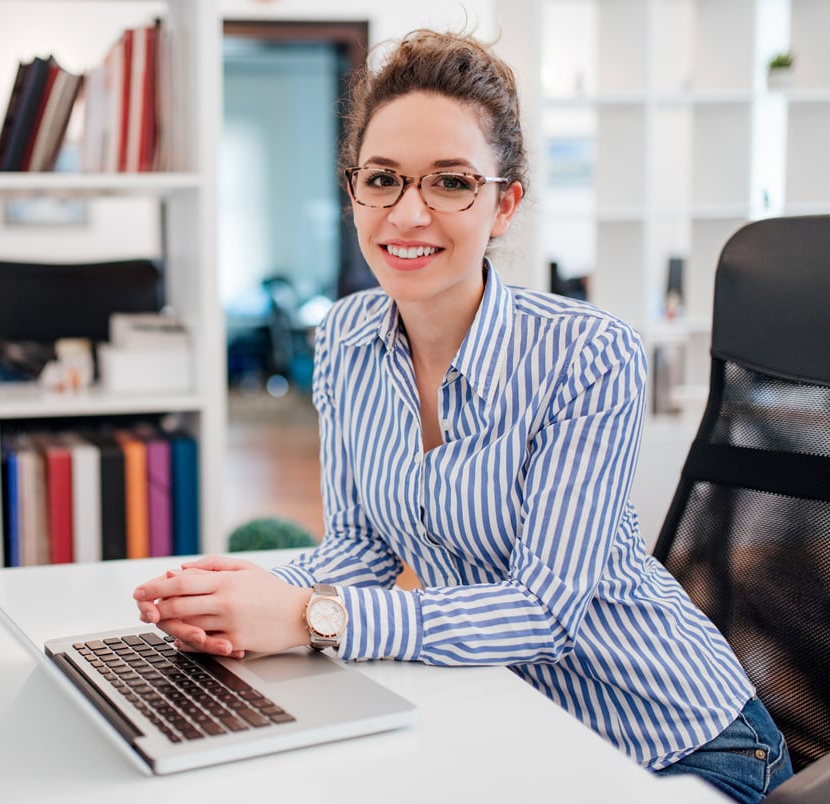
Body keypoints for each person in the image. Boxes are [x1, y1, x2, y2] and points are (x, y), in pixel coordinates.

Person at [133, 28, 793, 804]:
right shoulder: (344, 340)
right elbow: (362, 547)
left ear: (503, 203)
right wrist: (243, 599)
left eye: (450, 183)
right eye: (382, 178)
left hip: (681, 747)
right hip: (519, 731)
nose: (408, 213)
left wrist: (312, 617)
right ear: (355, 193)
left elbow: (543, 612)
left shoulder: (587, 356)